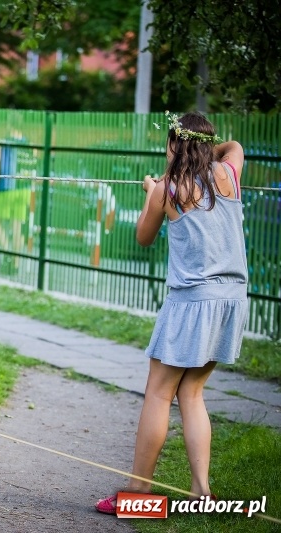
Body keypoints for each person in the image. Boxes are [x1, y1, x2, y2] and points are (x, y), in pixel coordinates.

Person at [95, 112, 248, 513]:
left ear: (172, 144)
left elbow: (143, 237)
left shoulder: (168, 188)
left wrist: (152, 192)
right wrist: (201, 153)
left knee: (159, 393)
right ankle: (202, 493)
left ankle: (137, 495)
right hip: (231, 300)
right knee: (192, 393)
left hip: (193, 303)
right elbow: (236, 149)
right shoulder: (228, 176)